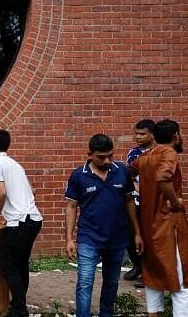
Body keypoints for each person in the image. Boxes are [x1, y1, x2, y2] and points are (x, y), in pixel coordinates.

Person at [65, 134, 143, 317]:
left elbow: (129, 202)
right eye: (101, 157)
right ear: (90, 154)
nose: (107, 160)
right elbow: (71, 206)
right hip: (89, 237)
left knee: (111, 283)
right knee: (84, 282)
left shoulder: (122, 171)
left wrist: (137, 233)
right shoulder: (78, 175)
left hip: (117, 237)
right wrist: (69, 239)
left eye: (110, 155)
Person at [129, 119, 187, 317]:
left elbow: (127, 172)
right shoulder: (168, 153)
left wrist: (140, 190)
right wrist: (175, 202)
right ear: (175, 136)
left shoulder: (144, 157)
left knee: (153, 279)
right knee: (180, 283)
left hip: (148, 226)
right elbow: (163, 177)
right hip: (168, 227)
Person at [0, 129, 43, 317]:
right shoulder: (16, 165)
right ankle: (19, 304)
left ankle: (18, 310)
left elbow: (1, 192)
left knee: (7, 263)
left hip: (20, 222)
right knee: (20, 263)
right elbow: (32, 191)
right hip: (34, 219)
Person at [123, 119, 156, 286]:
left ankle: (148, 274)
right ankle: (138, 266)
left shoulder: (161, 153)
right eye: (136, 133)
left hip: (153, 203)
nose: (138, 137)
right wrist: (137, 187)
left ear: (152, 134)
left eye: (142, 134)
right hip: (134, 201)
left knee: (150, 238)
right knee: (131, 236)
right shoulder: (134, 153)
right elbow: (129, 175)